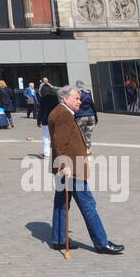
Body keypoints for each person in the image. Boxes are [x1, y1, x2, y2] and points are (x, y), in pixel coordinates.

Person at [48, 85, 123, 256]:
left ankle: (59, 239)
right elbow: (60, 142)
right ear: (65, 99)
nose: (79, 101)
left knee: (61, 204)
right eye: (76, 98)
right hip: (71, 170)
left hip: (65, 168)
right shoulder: (63, 115)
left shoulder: (60, 111)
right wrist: (64, 165)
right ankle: (101, 243)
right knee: (88, 205)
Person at [74, 80, 98, 150]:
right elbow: (92, 106)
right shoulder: (88, 93)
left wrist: (74, 117)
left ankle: (82, 151)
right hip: (91, 116)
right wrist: (96, 119)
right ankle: (88, 151)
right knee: (88, 136)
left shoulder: (78, 94)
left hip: (80, 116)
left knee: (80, 135)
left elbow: (75, 106)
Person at [37, 79, 58, 159]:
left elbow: (40, 111)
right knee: (55, 136)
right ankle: (57, 153)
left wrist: (39, 121)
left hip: (46, 120)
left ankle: (46, 154)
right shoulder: (55, 98)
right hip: (55, 119)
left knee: (46, 137)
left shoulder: (43, 99)